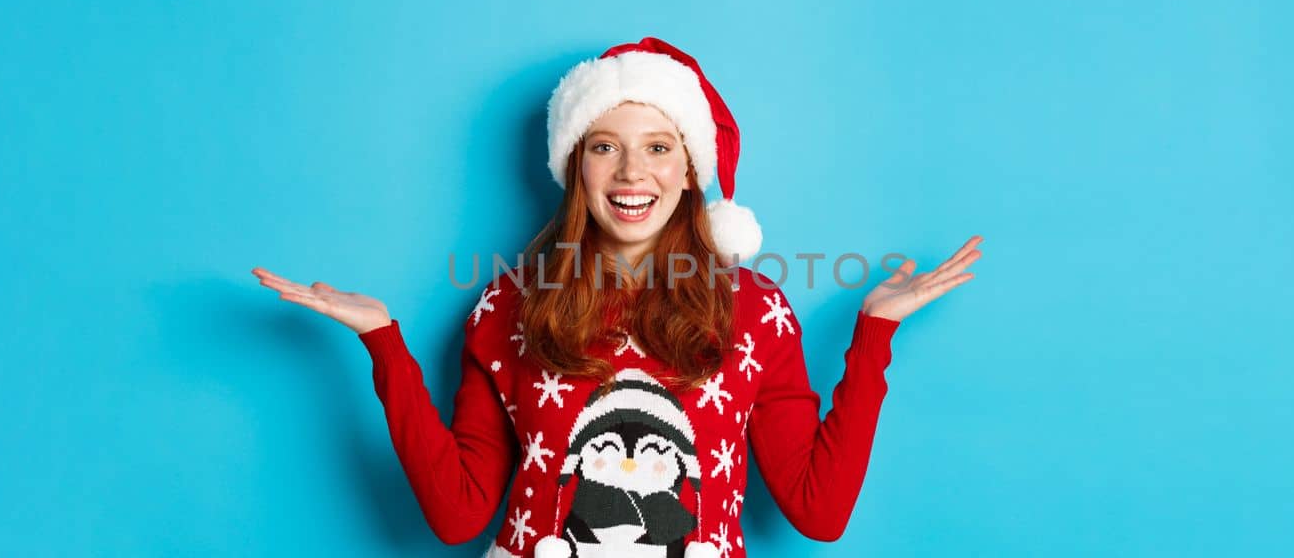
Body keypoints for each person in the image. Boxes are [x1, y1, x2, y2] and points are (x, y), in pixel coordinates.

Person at [252, 36, 982, 558]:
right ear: (575, 164)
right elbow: (456, 516)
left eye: (659, 146)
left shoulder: (756, 313)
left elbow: (818, 513)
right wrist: (382, 342)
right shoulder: (508, 306)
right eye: (605, 145)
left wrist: (875, 331)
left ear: (692, 169)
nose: (633, 172)